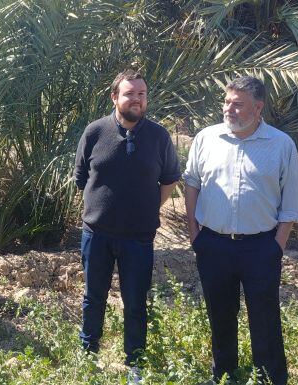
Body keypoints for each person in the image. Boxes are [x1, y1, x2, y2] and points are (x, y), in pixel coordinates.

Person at [183, 76, 298, 385]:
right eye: (227, 102)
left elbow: (290, 201)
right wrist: (194, 232)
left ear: (258, 107)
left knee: (264, 318)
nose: (229, 109)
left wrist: (277, 244)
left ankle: (270, 378)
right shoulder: (206, 138)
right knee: (220, 316)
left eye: (238, 104)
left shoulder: (280, 145)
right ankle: (224, 375)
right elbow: (192, 182)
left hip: (260, 247)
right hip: (213, 244)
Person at [74, 69, 180, 383]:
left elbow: (170, 178)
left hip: (138, 238)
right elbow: (83, 180)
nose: (136, 99)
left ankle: (135, 363)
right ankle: (88, 355)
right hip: (97, 235)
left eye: (141, 94)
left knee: (135, 302)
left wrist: (147, 209)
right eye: (129, 93)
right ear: (115, 97)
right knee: (94, 298)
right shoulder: (94, 132)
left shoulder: (159, 136)